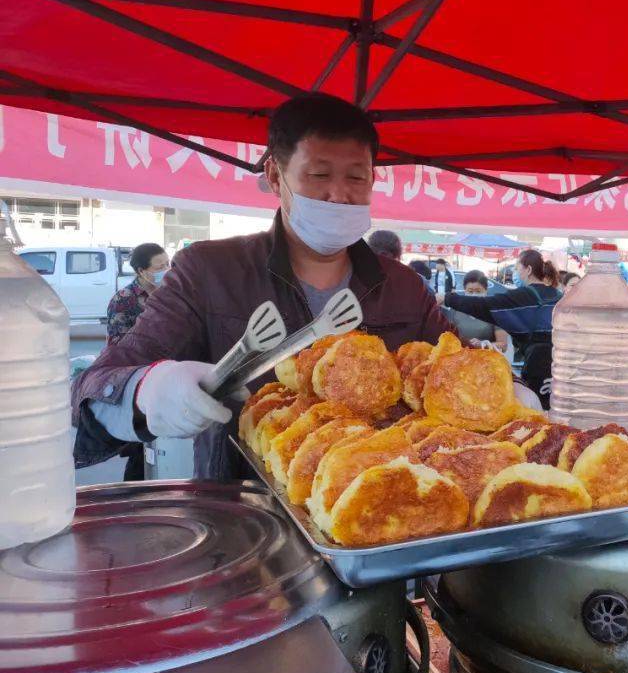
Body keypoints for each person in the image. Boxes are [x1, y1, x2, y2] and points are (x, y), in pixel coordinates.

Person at [71, 93, 454, 480]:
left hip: (378, 505)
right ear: (275, 176)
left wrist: (513, 389)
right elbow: (93, 388)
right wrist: (147, 388)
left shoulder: (404, 286)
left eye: (357, 177)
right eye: (319, 175)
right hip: (239, 508)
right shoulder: (209, 271)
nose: (339, 194)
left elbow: (460, 365)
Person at [440, 249, 561, 408]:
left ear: (528, 270)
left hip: (538, 365)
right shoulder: (558, 296)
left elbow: (485, 306)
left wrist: (447, 298)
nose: (516, 273)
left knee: (535, 414)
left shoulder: (524, 296)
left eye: (518, 268)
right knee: (556, 409)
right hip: (561, 366)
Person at [107, 242, 169, 346]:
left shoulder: (170, 293)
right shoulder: (123, 300)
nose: (166, 270)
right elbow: (117, 346)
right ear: (141, 271)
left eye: (168, 264)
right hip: (141, 360)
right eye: (160, 267)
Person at [446, 270, 512, 353]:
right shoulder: (455, 310)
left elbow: (503, 346)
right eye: (470, 291)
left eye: (478, 291)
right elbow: (447, 339)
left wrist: (483, 344)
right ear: (465, 290)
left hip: (486, 361)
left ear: (486, 290)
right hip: (460, 360)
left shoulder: (495, 312)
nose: (474, 295)